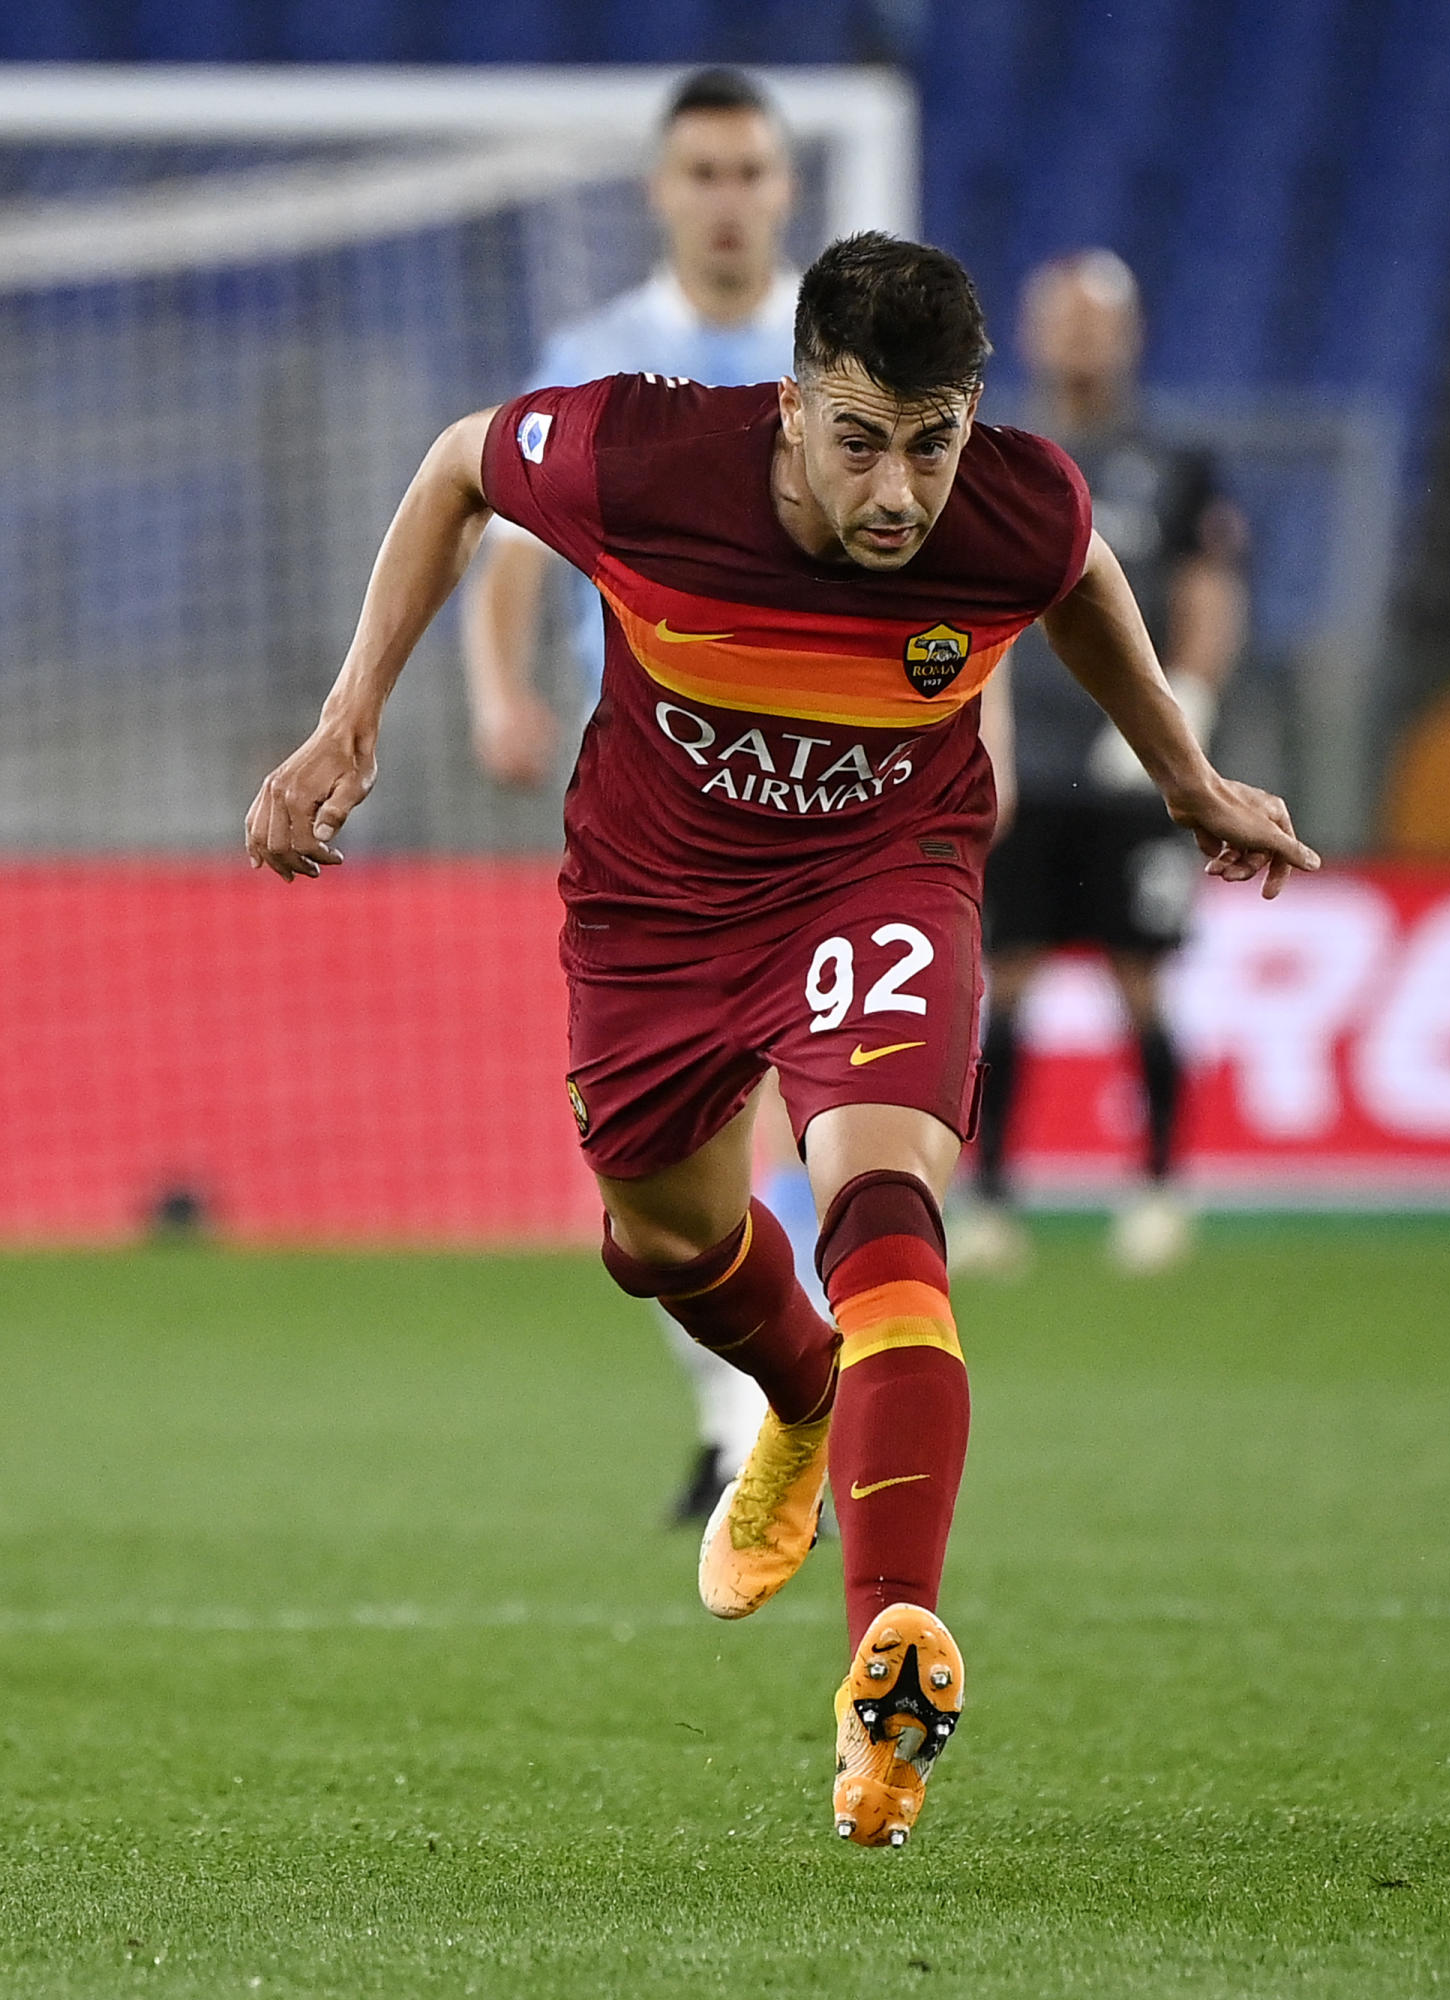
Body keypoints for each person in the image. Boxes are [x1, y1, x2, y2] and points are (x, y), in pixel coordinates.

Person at [246, 232, 1318, 1848]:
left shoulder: (1011, 502)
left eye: (934, 443)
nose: (900, 492)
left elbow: (1079, 574)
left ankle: (891, 1648)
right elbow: (462, 464)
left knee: (881, 1201)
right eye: (861, 440)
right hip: (656, 902)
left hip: (880, 872)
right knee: (662, 1230)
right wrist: (350, 717)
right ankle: (802, 1398)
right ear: (790, 407)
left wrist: (1180, 772)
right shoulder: (647, 453)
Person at [460, 65, 819, 1528]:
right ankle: (738, 1403)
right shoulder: (599, 352)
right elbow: (507, 551)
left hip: (817, 784)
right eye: (704, 174)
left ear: (785, 189)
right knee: (656, 1158)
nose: (728, 199)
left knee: (791, 1113)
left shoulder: (836, 341)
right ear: (662, 192)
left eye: (751, 172)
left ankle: (771, 1414)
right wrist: (496, 690)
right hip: (648, 805)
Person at [959, 250, 1249, 1275]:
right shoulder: (993, 454)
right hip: (1023, 761)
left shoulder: (1173, 464)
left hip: (1128, 763)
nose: (1079, 339)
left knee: (1142, 979)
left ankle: (1162, 1186)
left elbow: (1209, 590)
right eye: (1061, 320)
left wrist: (1188, 707)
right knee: (1010, 978)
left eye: (1096, 321)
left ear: (1128, 335)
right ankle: (990, 1197)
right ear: (1033, 335)